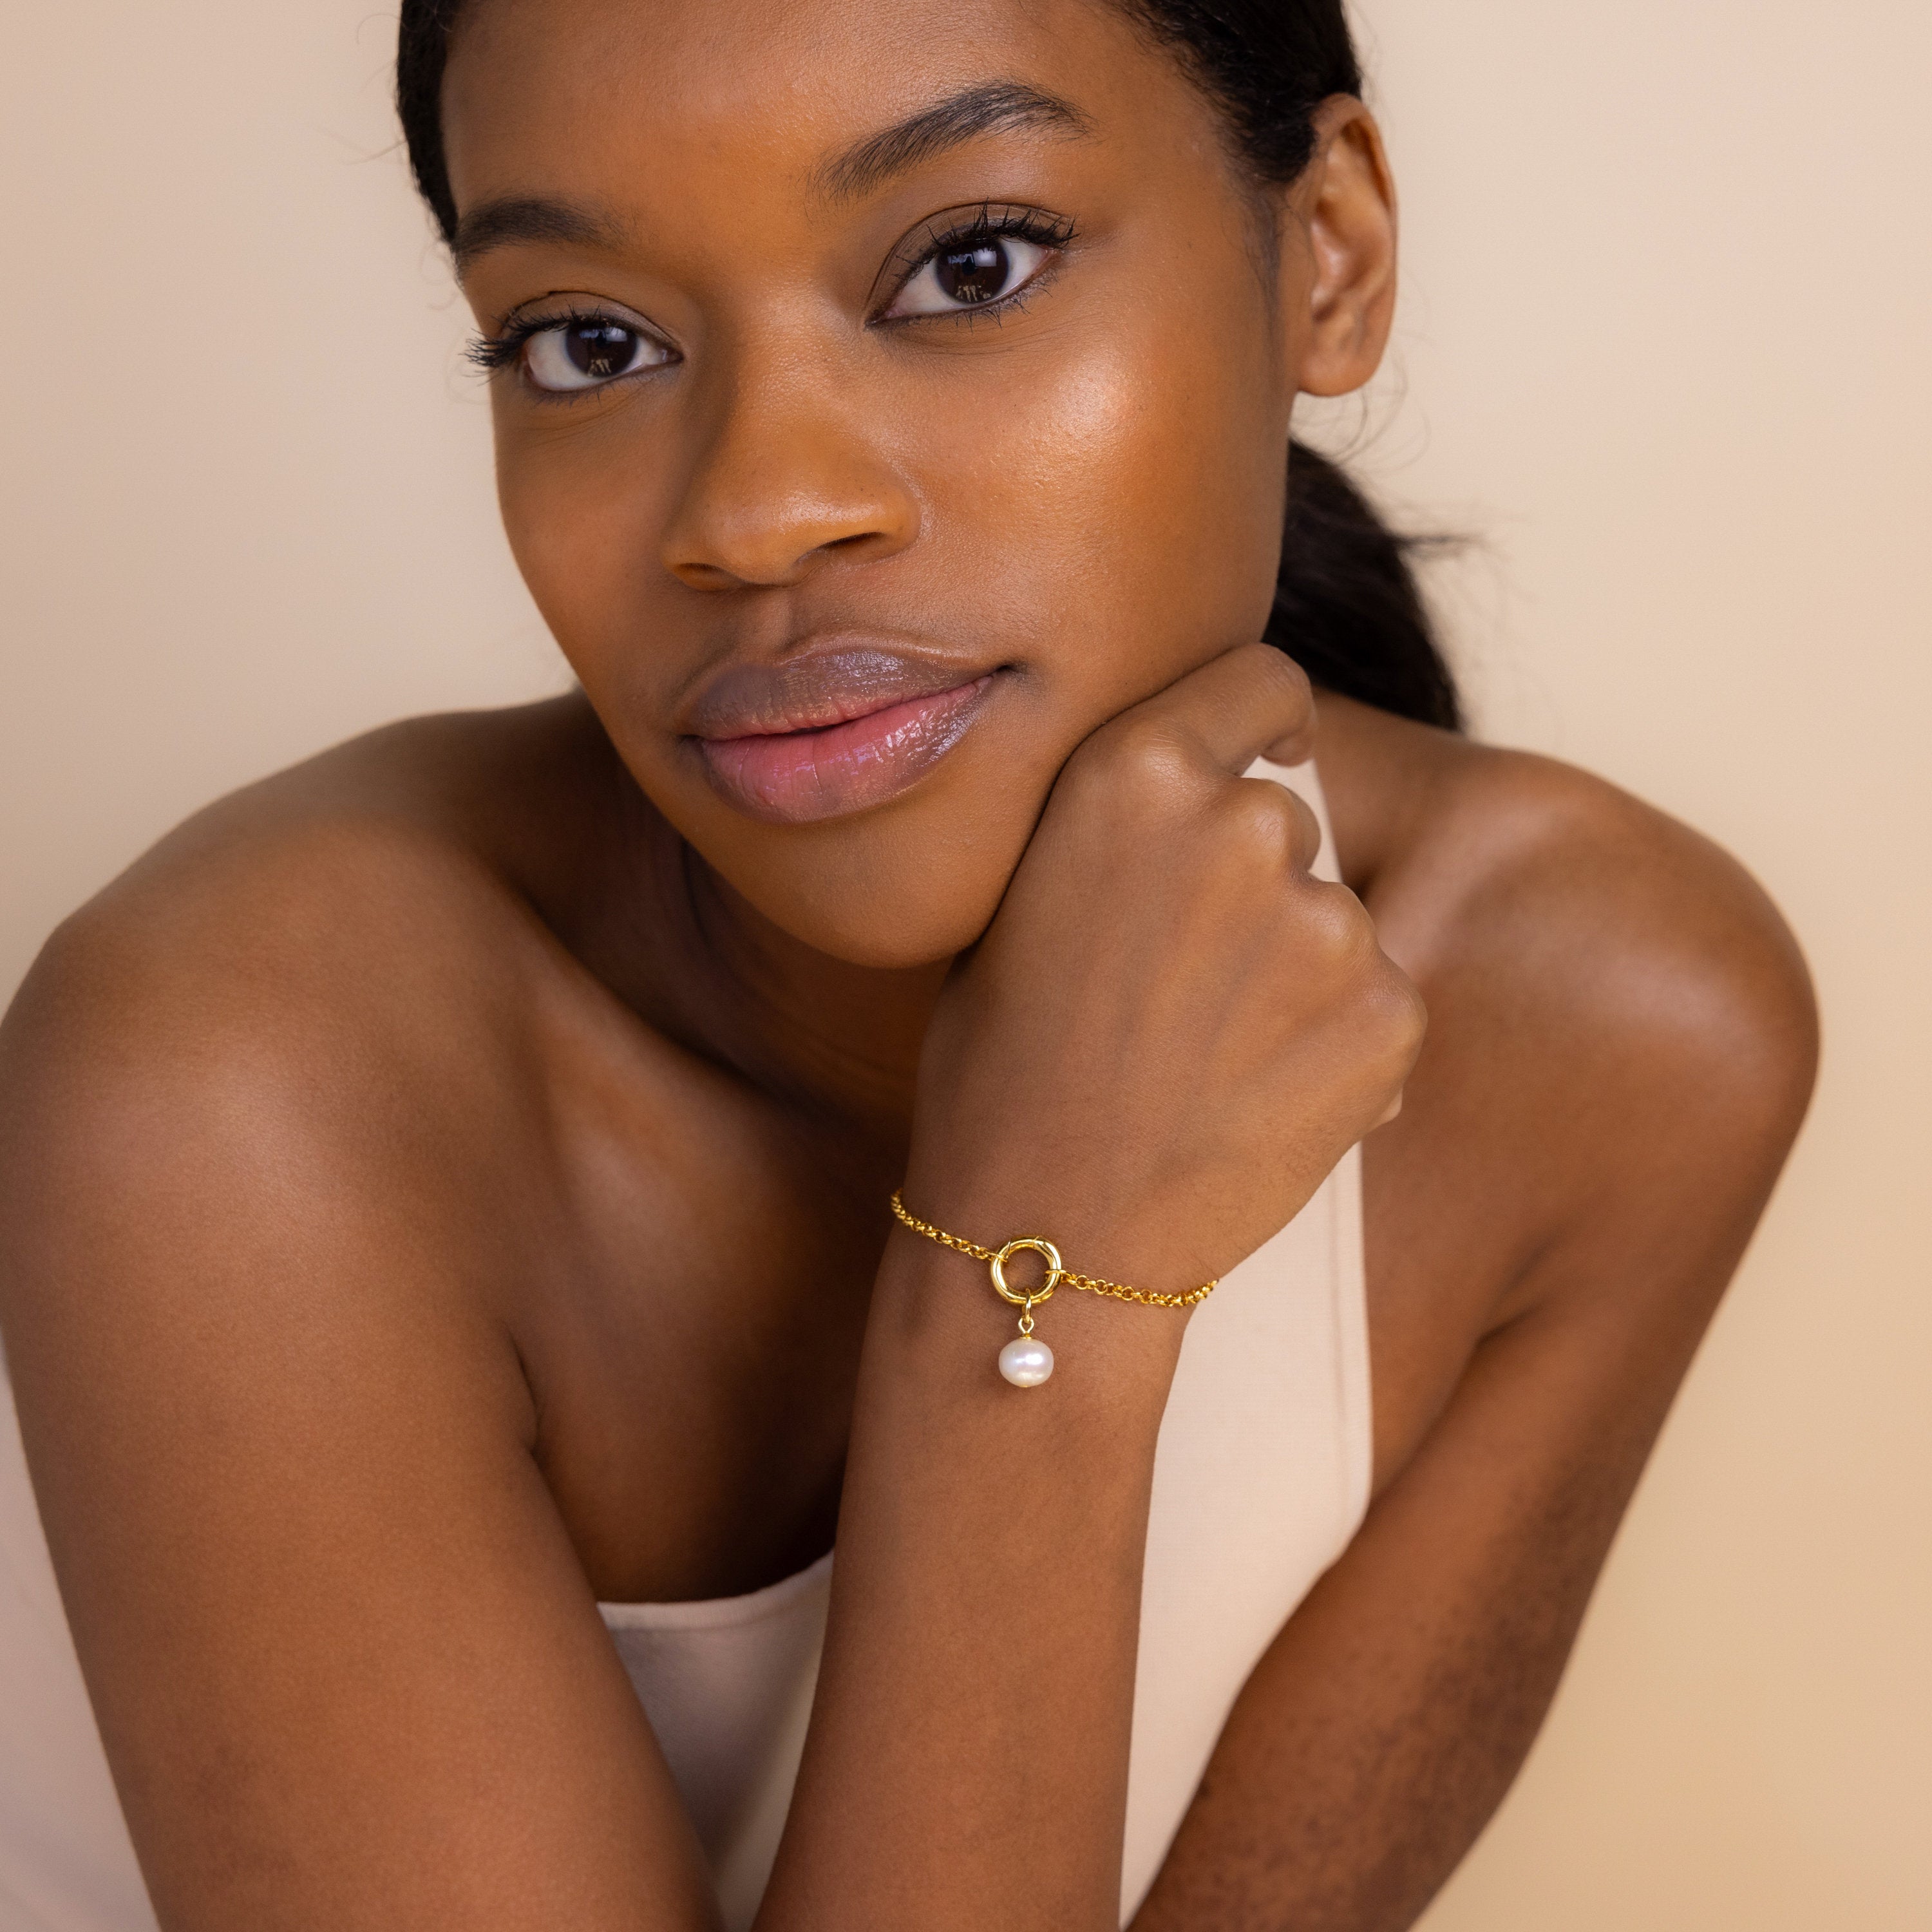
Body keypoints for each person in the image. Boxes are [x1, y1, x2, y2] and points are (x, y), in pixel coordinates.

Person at [0, 1, 1818, 1927]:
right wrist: (1040, 1290)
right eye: (587, 341)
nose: (759, 513)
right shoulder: (238, 1094)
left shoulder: (1613, 1036)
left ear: (1329, 255)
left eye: (971, 265)